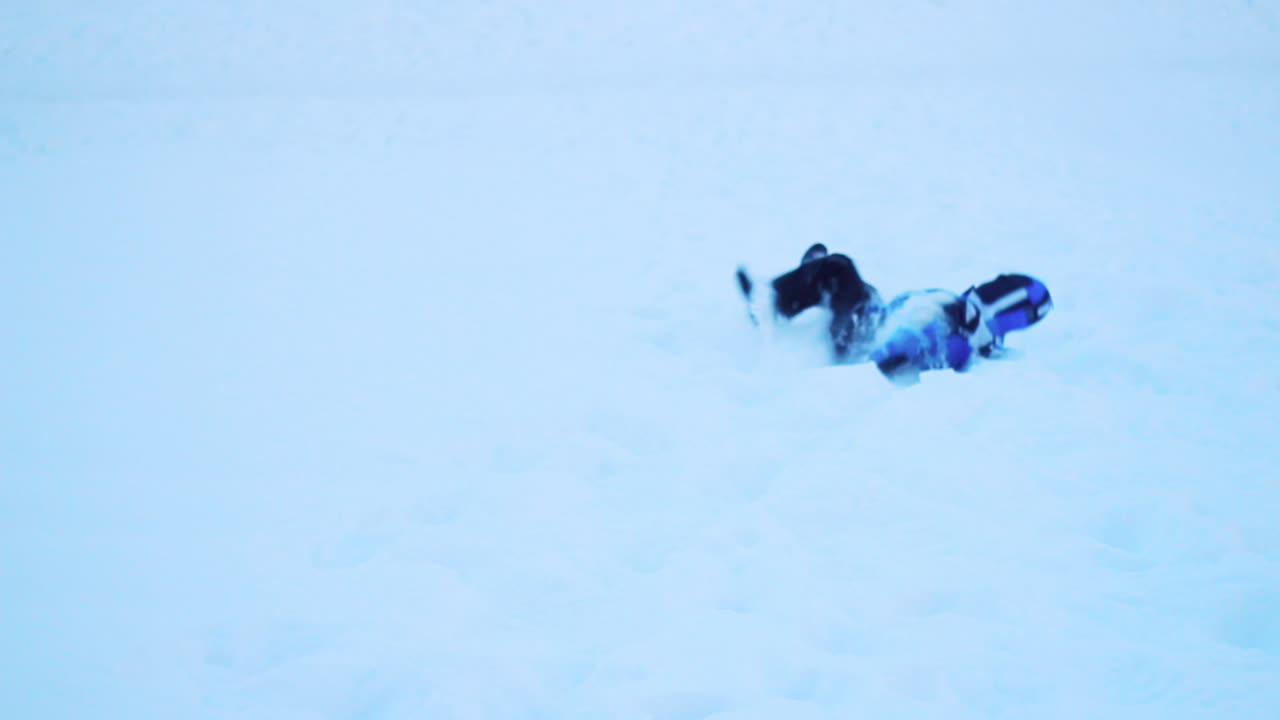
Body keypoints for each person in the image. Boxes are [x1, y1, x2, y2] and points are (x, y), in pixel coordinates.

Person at [735, 245, 1053, 383]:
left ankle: (776, 298)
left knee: (838, 268)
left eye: (1004, 284)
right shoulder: (959, 311)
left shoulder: (966, 326)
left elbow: (912, 349)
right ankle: (810, 277)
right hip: (875, 317)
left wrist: (885, 356)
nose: (994, 282)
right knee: (836, 267)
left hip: (866, 339)